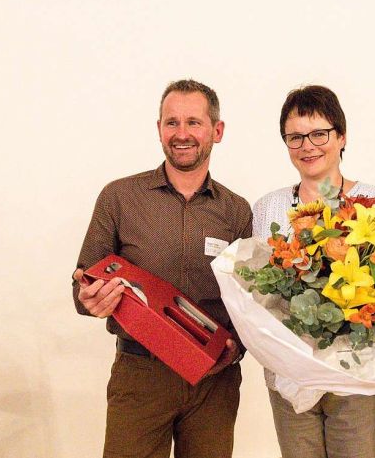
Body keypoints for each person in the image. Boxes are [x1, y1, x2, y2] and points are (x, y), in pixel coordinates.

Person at [71, 79, 252, 458]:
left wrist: (236, 349)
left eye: (193, 122)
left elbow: (248, 300)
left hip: (214, 381)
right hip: (140, 375)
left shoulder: (237, 211)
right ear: (158, 129)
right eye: (171, 123)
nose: (181, 134)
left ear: (217, 131)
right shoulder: (119, 197)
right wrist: (89, 297)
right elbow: (82, 285)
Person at [251, 85, 375, 458]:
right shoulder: (270, 208)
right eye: (295, 137)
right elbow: (258, 297)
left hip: (358, 376)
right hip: (291, 378)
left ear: (342, 136)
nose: (307, 146)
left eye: (319, 133)